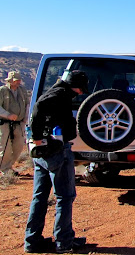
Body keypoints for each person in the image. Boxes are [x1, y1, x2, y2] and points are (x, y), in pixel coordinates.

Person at [24, 70, 89, 254]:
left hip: (43, 154)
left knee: (40, 196)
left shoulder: (55, 92)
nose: (81, 93)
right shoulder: (59, 94)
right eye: (80, 88)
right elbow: (39, 109)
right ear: (73, 84)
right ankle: (64, 242)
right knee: (65, 197)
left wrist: (38, 140)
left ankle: (32, 241)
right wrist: (38, 138)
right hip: (56, 151)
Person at [0, 71, 29, 175]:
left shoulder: (22, 90)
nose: (18, 82)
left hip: (19, 123)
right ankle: (5, 170)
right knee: (6, 147)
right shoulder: (2, 91)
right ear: (10, 81)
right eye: (16, 80)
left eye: (19, 80)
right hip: (5, 123)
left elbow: (27, 104)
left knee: (19, 146)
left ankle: (9, 166)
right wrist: (7, 115)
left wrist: (25, 118)